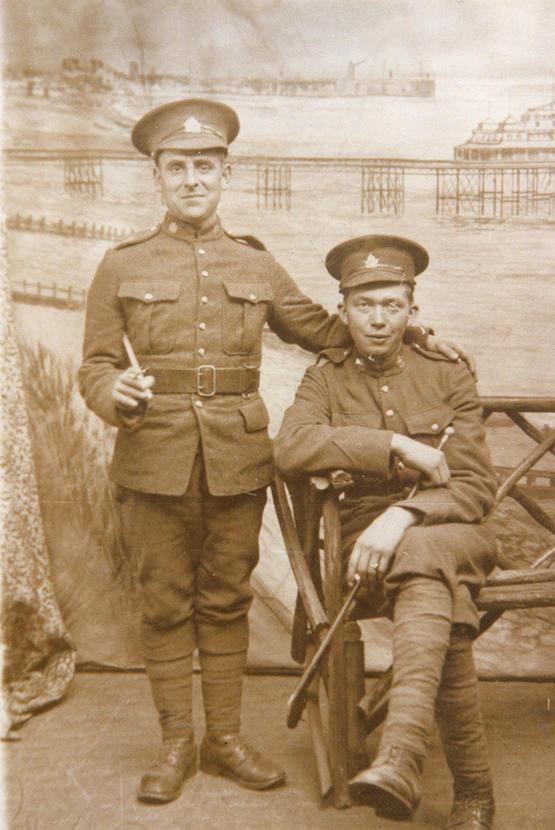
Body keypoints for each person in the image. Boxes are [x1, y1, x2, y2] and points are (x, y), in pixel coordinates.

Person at [78, 99, 476, 806]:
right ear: (156, 175)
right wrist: (116, 393)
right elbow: (96, 365)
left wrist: (413, 334)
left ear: (226, 174)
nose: (192, 180)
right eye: (178, 167)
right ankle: (176, 744)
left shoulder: (254, 262)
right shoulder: (121, 265)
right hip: (151, 457)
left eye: (206, 167)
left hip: (237, 459)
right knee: (164, 601)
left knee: (226, 596)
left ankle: (225, 740)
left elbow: (330, 329)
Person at [274, 235, 497, 829]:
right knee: (437, 592)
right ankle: (470, 794)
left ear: (412, 310)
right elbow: (291, 446)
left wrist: (402, 516)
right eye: (365, 305)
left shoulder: (447, 373)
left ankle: (402, 756)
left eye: (392, 306)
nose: (378, 319)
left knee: (423, 550)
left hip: (454, 530)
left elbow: (476, 487)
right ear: (343, 310)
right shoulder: (325, 379)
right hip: (370, 553)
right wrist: (394, 444)